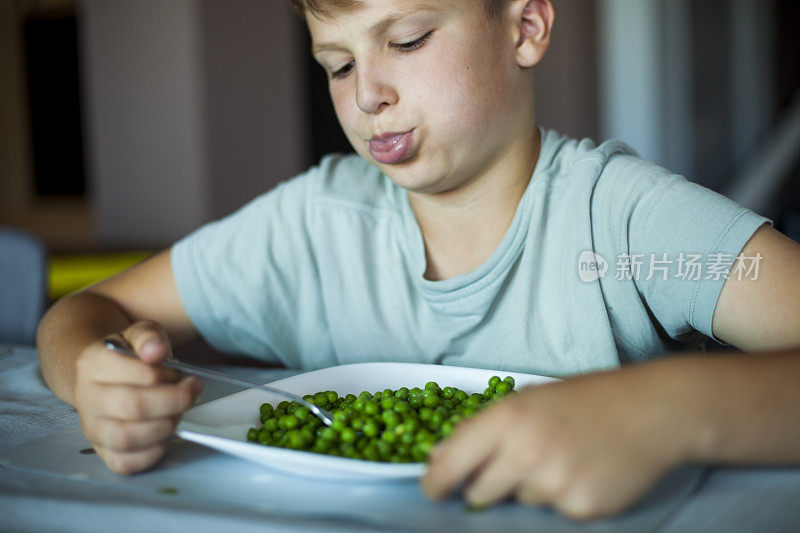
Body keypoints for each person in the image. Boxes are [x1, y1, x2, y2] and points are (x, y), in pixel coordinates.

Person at [37, 0, 800, 521]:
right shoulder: (312, 226)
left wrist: (667, 410)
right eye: (336, 64)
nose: (367, 93)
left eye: (406, 40)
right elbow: (82, 312)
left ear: (525, 26)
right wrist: (96, 374)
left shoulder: (627, 222)